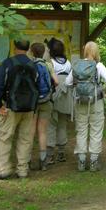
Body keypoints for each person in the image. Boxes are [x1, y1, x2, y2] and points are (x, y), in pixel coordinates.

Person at [0, 39, 38, 179]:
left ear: (14, 47)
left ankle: (3, 169)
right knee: (25, 138)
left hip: (11, 106)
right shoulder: (33, 64)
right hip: (29, 107)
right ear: (28, 48)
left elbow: (0, 85)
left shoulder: (8, 63)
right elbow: (37, 84)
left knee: (5, 137)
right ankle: (23, 170)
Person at [66, 41, 106, 172]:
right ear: (96, 51)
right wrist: (104, 90)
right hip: (96, 101)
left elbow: (67, 82)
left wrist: (78, 89)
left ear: (85, 51)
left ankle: (81, 161)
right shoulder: (98, 66)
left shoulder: (77, 65)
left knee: (81, 130)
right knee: (96, 130)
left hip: (80, 101)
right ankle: (93, 161)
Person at [30, 42, 58, 171]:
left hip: (33, 103)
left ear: (31, 52)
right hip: (46, 101)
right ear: (44, 52)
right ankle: (43, 162)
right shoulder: (48, 65)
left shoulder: (30, 65)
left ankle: (28, 160)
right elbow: (56, 81)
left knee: (30, 131)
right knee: (42, 132)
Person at [46, 38, 73, 165]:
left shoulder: (50, 63)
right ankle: (61, 152)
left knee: (51, 125)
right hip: (66, 96)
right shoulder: (68, 63)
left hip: (53, 96)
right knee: (62, 124)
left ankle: (50, 154)